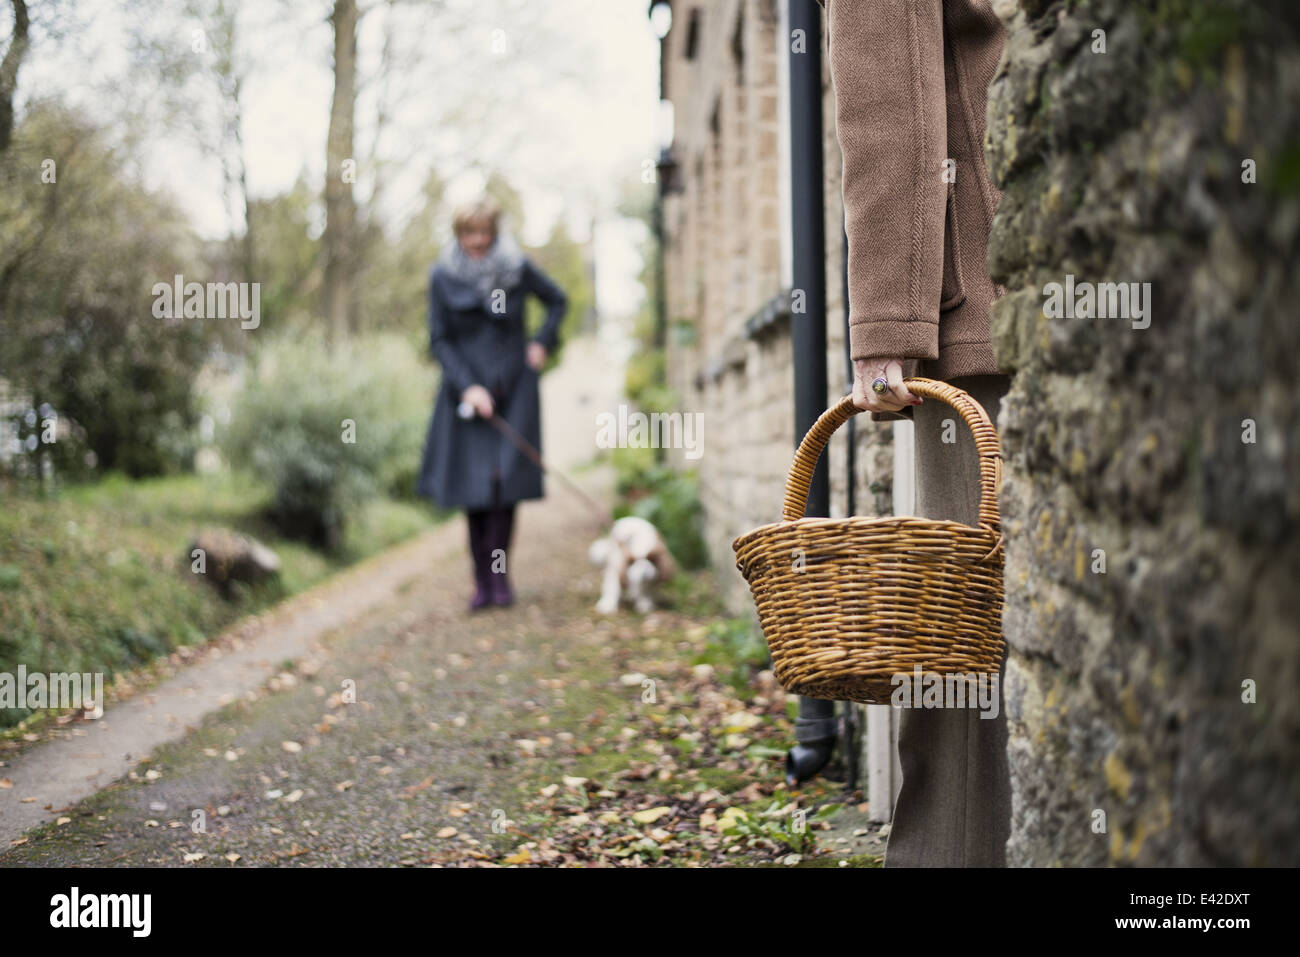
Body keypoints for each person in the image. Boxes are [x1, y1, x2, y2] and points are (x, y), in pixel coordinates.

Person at [820, 0, 1011, 865]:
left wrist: (888, 324)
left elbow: (885, 70)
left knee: (957, 634)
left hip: (980, 294)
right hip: (1033, 271)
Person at [415, 197, 568, 611]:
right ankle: (481, 581)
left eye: (484, 233)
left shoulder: (517, 269)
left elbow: (558, 301)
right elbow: (439, 339)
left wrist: (541, 342)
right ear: (459, 234)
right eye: (470, 233)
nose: (478, 241)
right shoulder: (443, 277)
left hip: (514, 388)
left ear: (495, 232)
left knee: (504, 486)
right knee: (474, 490)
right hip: (464, 392)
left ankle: (502, 579)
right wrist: (468, 387)